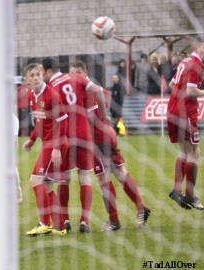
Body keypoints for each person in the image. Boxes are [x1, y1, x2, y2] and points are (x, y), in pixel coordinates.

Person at [70, 61, 151, 231]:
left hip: (97, 139)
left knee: (103, 178)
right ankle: (141, 208)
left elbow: (93, 111)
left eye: (79, 72)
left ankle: (114, 221)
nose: (76, 77)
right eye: (73, 74)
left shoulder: (87, 91)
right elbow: (105, 96)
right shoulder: (88, 90)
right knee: (120, 172)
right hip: (106, 136)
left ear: (85, 72)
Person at [42, 58, 109, 234]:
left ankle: (64, 220)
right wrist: (104, 115)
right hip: (83, 135)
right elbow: (98, 91)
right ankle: (84, 221)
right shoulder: (76, 78)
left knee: (64, 179)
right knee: (85, 178)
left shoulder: (50, 89)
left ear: (49, 72)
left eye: (42, 72)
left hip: (64, 138)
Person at [22, 63, 69, 236]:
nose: (35, 78)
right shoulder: (32, 96)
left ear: (42, 76)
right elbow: (41, 122)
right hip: (47, 144)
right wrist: (32, 140)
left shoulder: (51, 95)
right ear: (27, 79)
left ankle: (44, 223)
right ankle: (60, 226)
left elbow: (63, 121)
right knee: (48, 185)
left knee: (35, 180)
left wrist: (56, 148)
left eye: (38, 75)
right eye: (31, 75)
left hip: (55, 145)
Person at [167, 35, 204, 211]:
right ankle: (190, 195)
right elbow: (191, 92)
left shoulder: (185, 61)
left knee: (185, 151)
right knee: (195, 151)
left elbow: (172, 83)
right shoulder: (196, 66)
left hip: (173, 110)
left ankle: (177, 191)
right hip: (185, 113)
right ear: (197, 48)